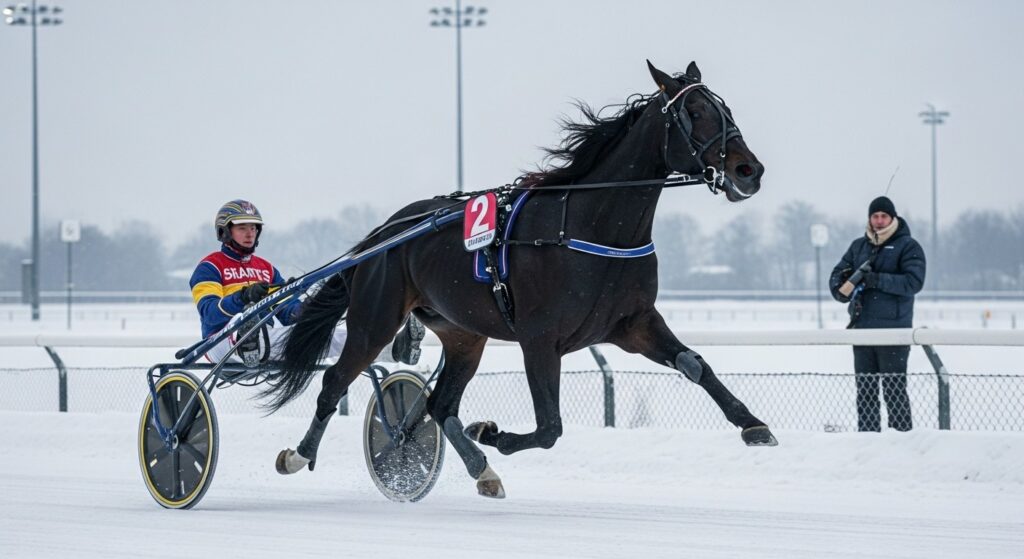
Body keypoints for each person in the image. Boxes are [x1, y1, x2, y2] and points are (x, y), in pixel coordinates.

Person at [189, 199, 424, 367]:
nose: (250, 233)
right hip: (219, 343)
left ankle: (394, 349)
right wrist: (242, 297)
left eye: (253, 228)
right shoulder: (209, 267)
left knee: (323, 335)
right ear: (225, 232)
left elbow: (286, 313)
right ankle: (248, 340)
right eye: (242, 228)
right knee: (244, 320)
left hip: (269, 339)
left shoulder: (266, 269)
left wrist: (309, 310)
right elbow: (210, 314)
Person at [829, 196, 925, 432]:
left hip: (894, 333)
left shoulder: (908, 246)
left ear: (893, 218)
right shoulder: (858, 246)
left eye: (884, 216)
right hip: (862, 331)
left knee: (894, 392)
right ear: (869, 218)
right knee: (865, 393)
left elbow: (913, 283)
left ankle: (901, 439)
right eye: (875, 216)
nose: (879, 221)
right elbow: (837, 277)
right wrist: (843, 282)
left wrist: (876, 280)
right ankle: (868, 440)